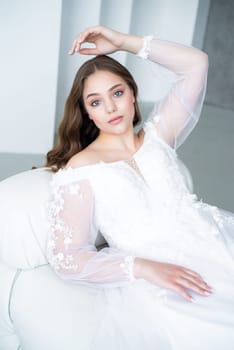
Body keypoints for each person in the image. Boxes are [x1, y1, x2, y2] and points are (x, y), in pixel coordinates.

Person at [46, 25, 234, 349]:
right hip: (164, 276)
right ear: (87, 112)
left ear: (132, 93)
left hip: (218, 246)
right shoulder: (79, 170)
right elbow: (67, 257)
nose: (110, 108)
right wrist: (144, 268)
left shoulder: (159, 136)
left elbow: (196, 63)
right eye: (96, 101)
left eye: (117, 93)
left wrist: (123, 43)